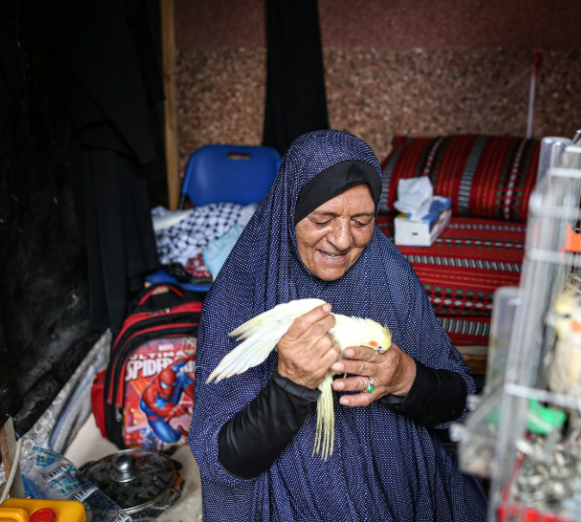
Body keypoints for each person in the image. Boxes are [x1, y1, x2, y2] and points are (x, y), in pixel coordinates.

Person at [189, 130, 487, 521]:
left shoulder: (389, 274)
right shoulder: (240, 295)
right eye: (322, 219)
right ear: (289, 210)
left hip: (402, 488)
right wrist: (289, 387)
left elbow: (460, 402)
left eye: (362, 221)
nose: (343, 240)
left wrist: (406, 378)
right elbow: (223, 461)